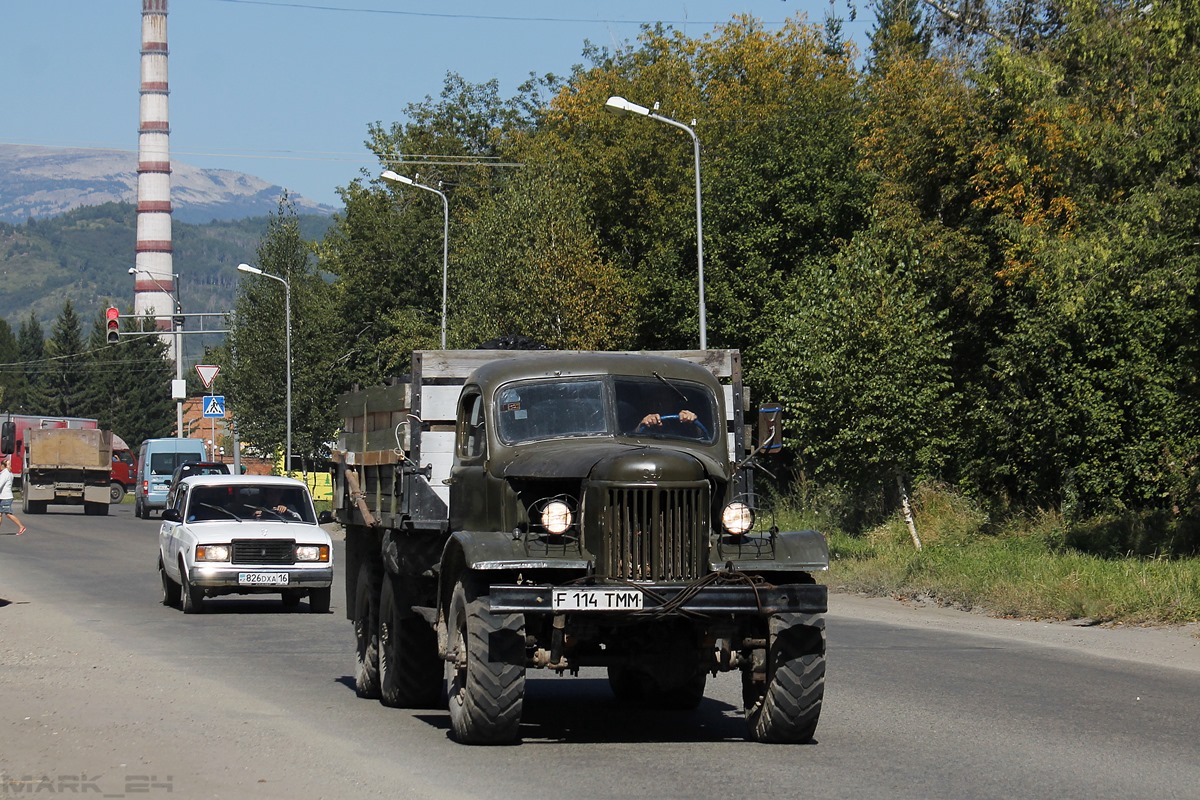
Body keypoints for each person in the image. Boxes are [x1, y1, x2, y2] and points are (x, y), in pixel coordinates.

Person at [0, 456, 27, 535]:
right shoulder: (9, 473)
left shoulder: (5, 474)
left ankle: (21, 526)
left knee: (8, 514)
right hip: (3, 496)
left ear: (2, 466)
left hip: (6, 497)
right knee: (0, 514)